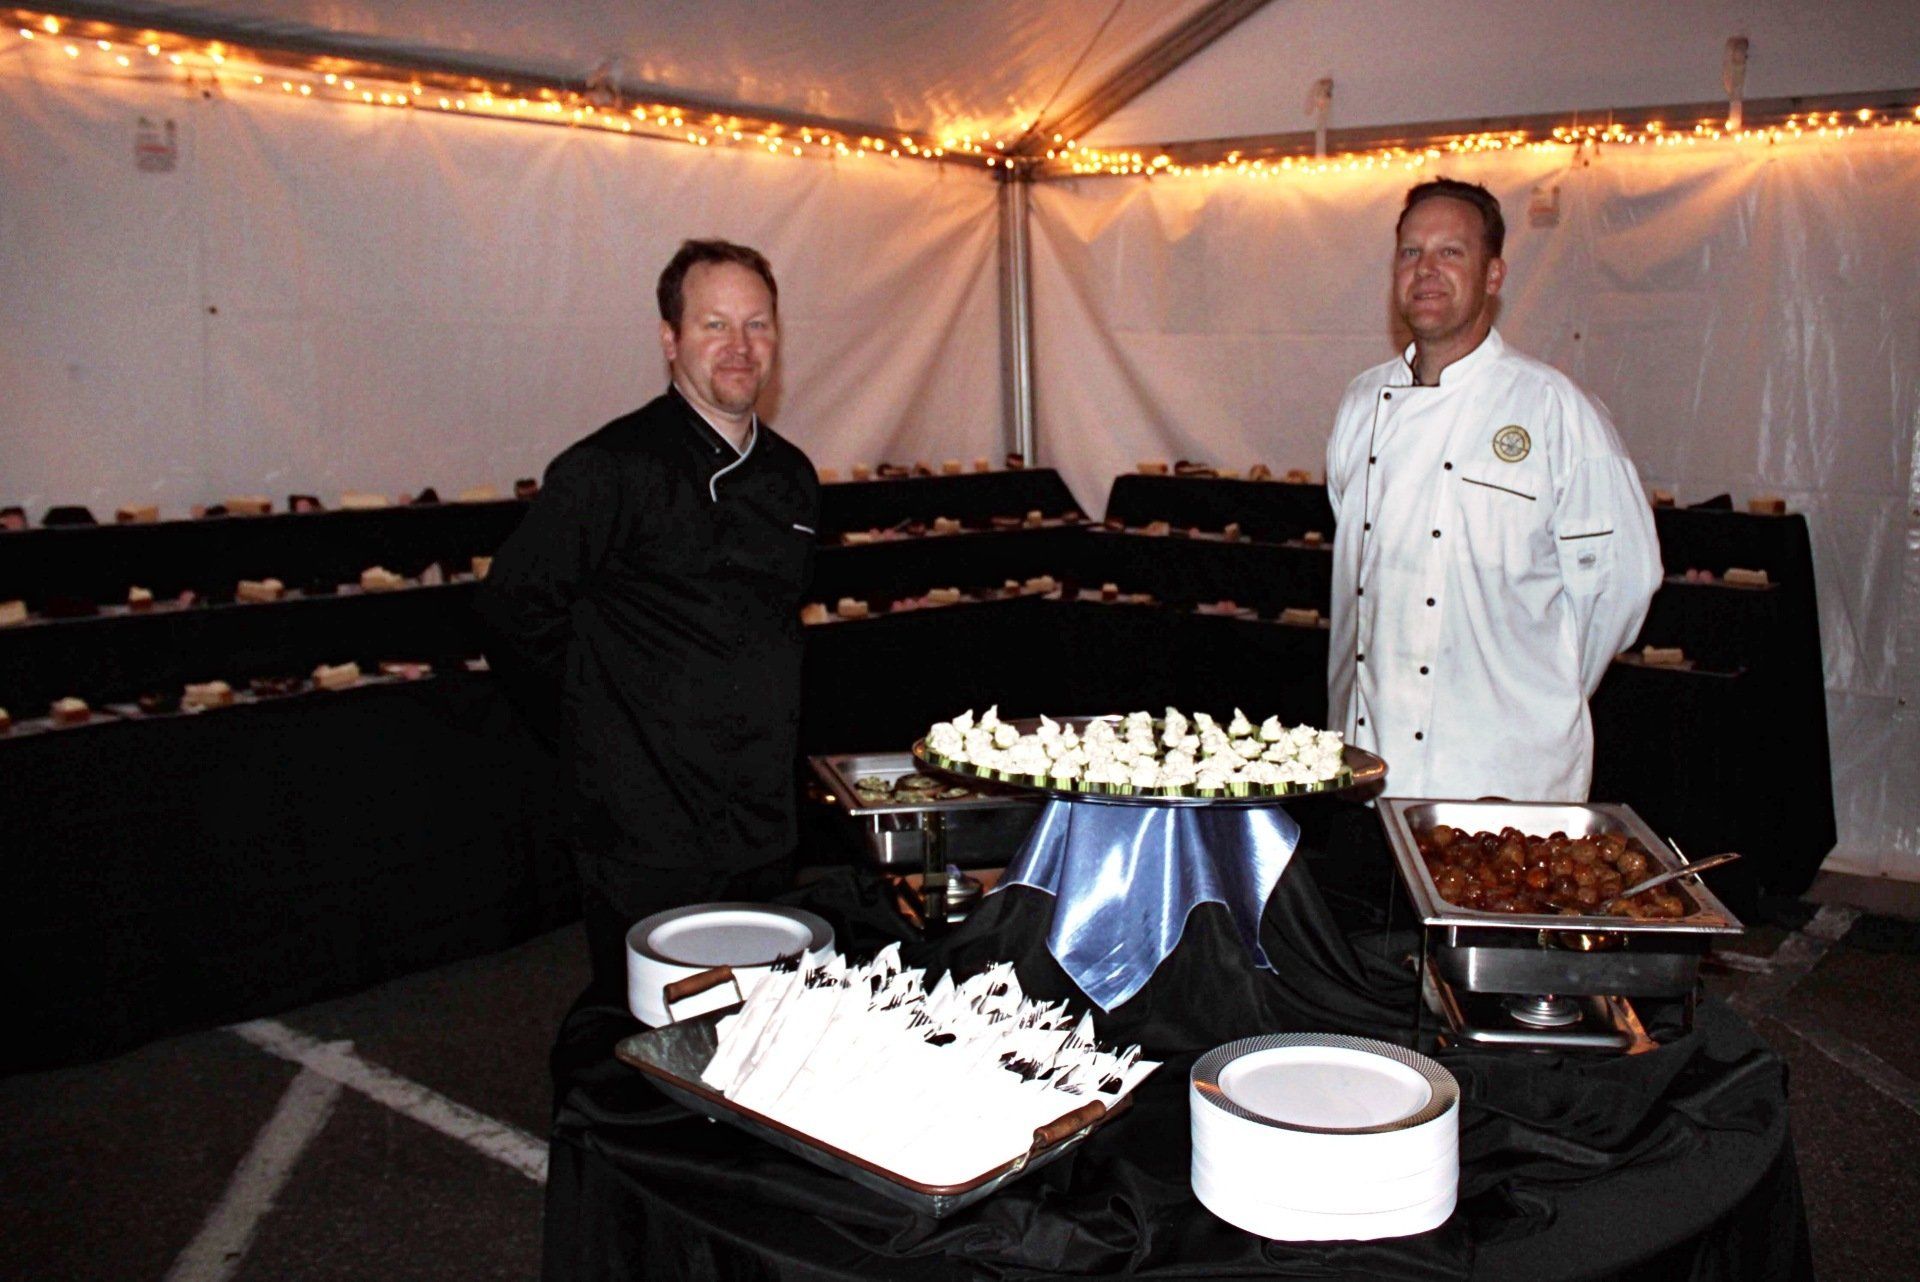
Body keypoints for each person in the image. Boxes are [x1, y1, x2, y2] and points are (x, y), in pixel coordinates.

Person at [477, 239, 820, 1003]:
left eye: (757, 326)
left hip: (761, 816)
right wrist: (594, 729)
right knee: (649, 1036)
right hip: (645, 824)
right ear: (670, 340)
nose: (739, 348)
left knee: (762, 1025)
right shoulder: (609, 469)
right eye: (714, 326)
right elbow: (512, 610)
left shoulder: (793, 477)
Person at [1325, 179, 1662, 801]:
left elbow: (1622, 582)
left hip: (1505, 772)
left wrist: (1538, 691)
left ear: (1493, 274)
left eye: (1450, 252)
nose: (1425, 270)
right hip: (1367, 762)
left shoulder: (1553, 407)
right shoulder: (1360, 403)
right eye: (1409, 252)